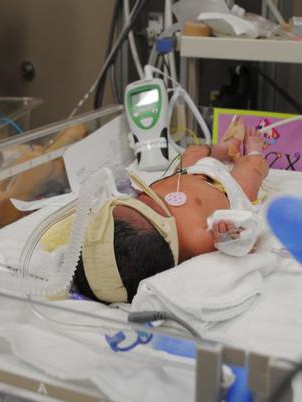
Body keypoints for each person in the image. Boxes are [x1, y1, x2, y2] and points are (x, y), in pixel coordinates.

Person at [73, 120, 269, 303]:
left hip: (185, 173)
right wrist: (229, 237)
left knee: (193, 152)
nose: (143, 198)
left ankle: (227, 147)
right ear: (165, 235)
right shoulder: (192, 240)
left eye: (134, 201)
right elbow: (246, 240)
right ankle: (254, 149)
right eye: (148, 206)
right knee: (250, 170)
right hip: (228, 190)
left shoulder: (126, 218)